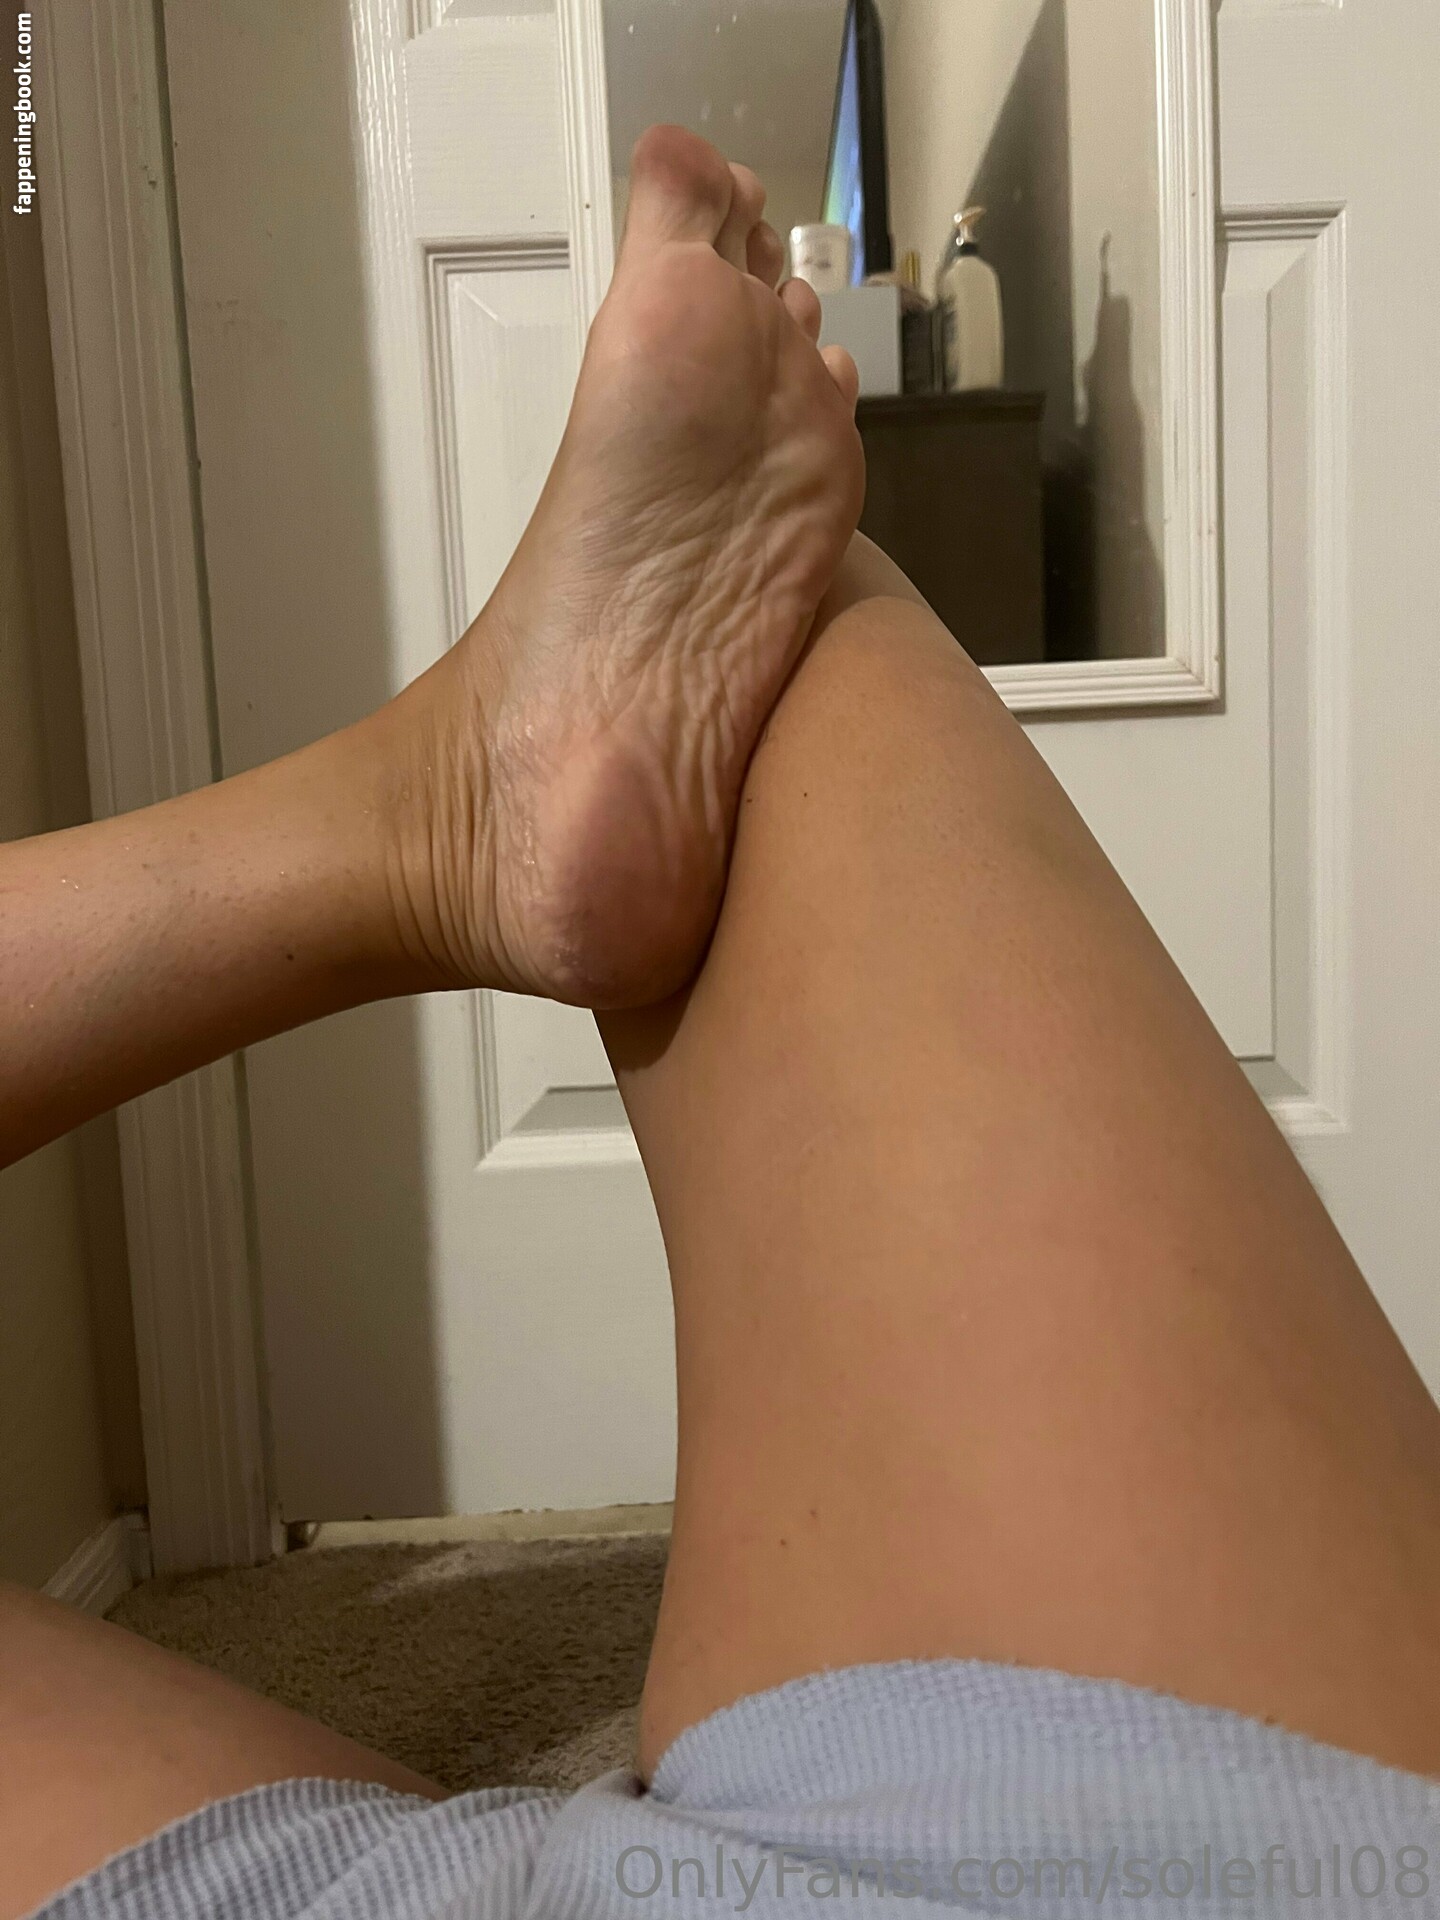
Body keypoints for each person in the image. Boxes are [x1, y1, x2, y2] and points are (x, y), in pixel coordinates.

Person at [2, 128, 1437, 1920]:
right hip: (1140, 1826)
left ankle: (432, 816)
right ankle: (437, 811)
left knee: (777, 608)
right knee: (803, 616)